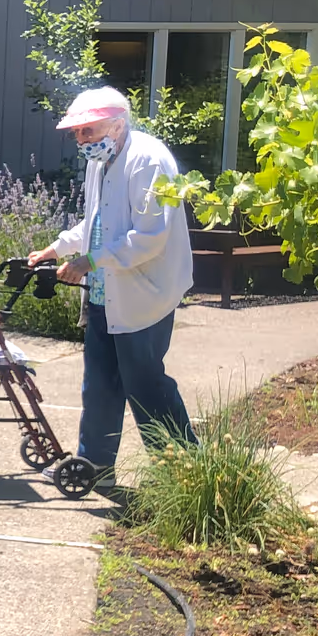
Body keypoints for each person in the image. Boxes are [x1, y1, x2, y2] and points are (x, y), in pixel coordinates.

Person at [27, 85, 195, 484]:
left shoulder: (149, 160)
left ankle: (185, 475)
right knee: (100, 384)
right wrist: (57, 247)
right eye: (77, 133)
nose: (81, 140)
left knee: (146, 385)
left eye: (88, 131)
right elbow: (98, 223)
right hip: (105, 293)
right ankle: (94, 468)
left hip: (143, 294)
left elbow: (149, 236)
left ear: (117, 125)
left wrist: (89, 261)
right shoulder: (100, 161)